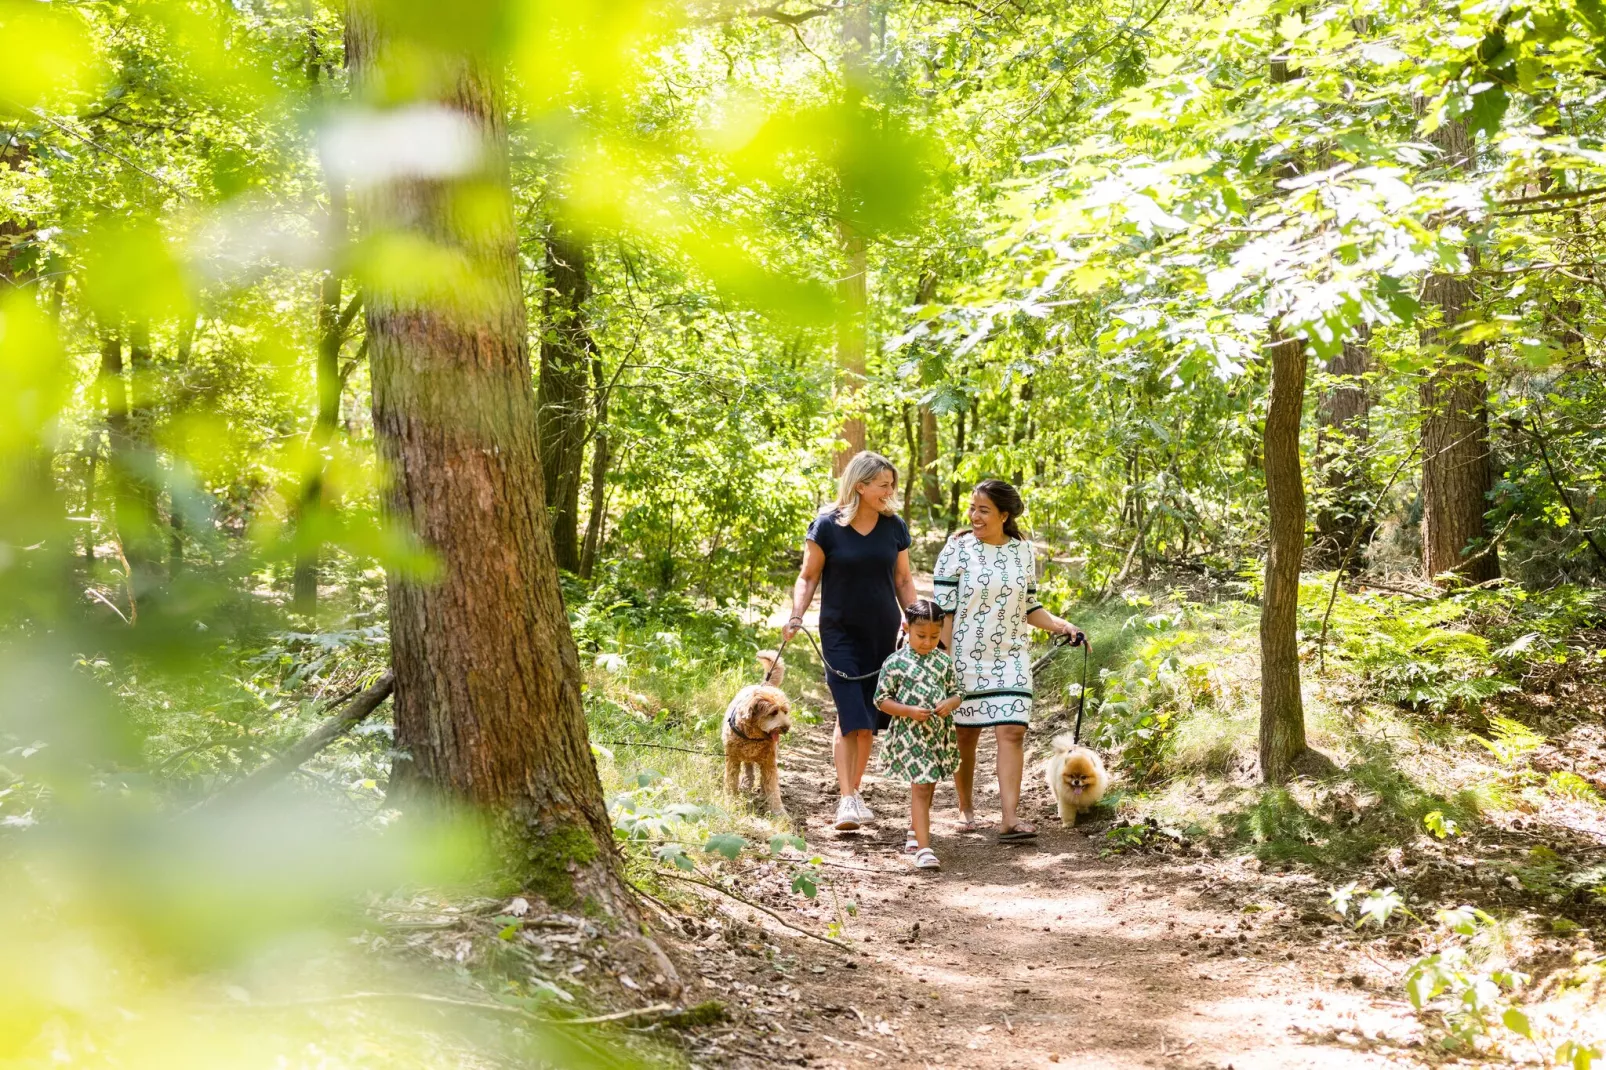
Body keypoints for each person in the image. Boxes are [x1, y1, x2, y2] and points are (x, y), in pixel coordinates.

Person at [934, 479, 1084, 841]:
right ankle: (966, 808)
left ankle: (1009, 818)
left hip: (1011, 656)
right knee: (965, 735)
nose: (974, 516)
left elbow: (1030, 607)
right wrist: (949, 659)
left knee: (1013, 730)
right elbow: (943, 612)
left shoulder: (1023, 552)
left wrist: (1064, 626)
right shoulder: (957, 549)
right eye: (972, 508)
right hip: (964, 656)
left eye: (983, 510)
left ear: (1004, 515)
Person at [783, 451, 919, 831]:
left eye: (892, 484)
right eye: (884, 485)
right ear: (860, 486)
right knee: (849, 714)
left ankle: (855, 793)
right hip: (839, 632)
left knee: (868, 720)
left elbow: (903, 580)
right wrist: (796, 615)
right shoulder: (826, 526)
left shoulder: (894, 526)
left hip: (882, 632)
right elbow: (808, 577)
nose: (890, 491)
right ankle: (845, 800)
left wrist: (916, 619)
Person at [874, 600, 963, 871]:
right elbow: (881, 700)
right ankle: (924, 849)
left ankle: (915, 827)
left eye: (934, 637)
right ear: (907, 629)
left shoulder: (942, 662)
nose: (927, 642)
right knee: (922, 786)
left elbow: (957, 692)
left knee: (929, 783)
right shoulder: (896, 662)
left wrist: (950, 703)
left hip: (938, 733)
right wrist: (908, 711)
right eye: (921, 636)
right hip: (911, 734)